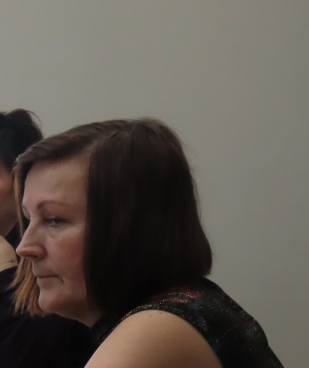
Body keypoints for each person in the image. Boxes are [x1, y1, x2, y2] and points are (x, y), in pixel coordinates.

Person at [12, 118, 284, 368]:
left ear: (132, 228)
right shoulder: (182, 307)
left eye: (54, 220)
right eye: (28, 218)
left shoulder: (158, 328)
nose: (25, 247)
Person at [0, 110, 92, 367]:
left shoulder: (53, 258)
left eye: (54, 220)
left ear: (21, 181)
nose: (29, 247)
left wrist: (5, 275)